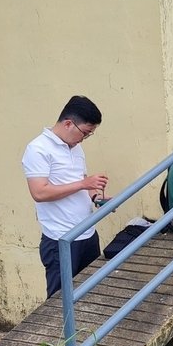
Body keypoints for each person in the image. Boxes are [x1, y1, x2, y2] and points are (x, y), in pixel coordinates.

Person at [22, 95, 108, 298]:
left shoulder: (76, 148)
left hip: (87, 233)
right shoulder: (38, 149)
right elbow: (39, 192)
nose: (84, 138)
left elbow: (82, 179)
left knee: (92, 295)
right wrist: (83, 184)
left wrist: (95, 196)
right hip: (61, 239)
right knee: (60, 302)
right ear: (69, 124)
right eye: (85, 133)